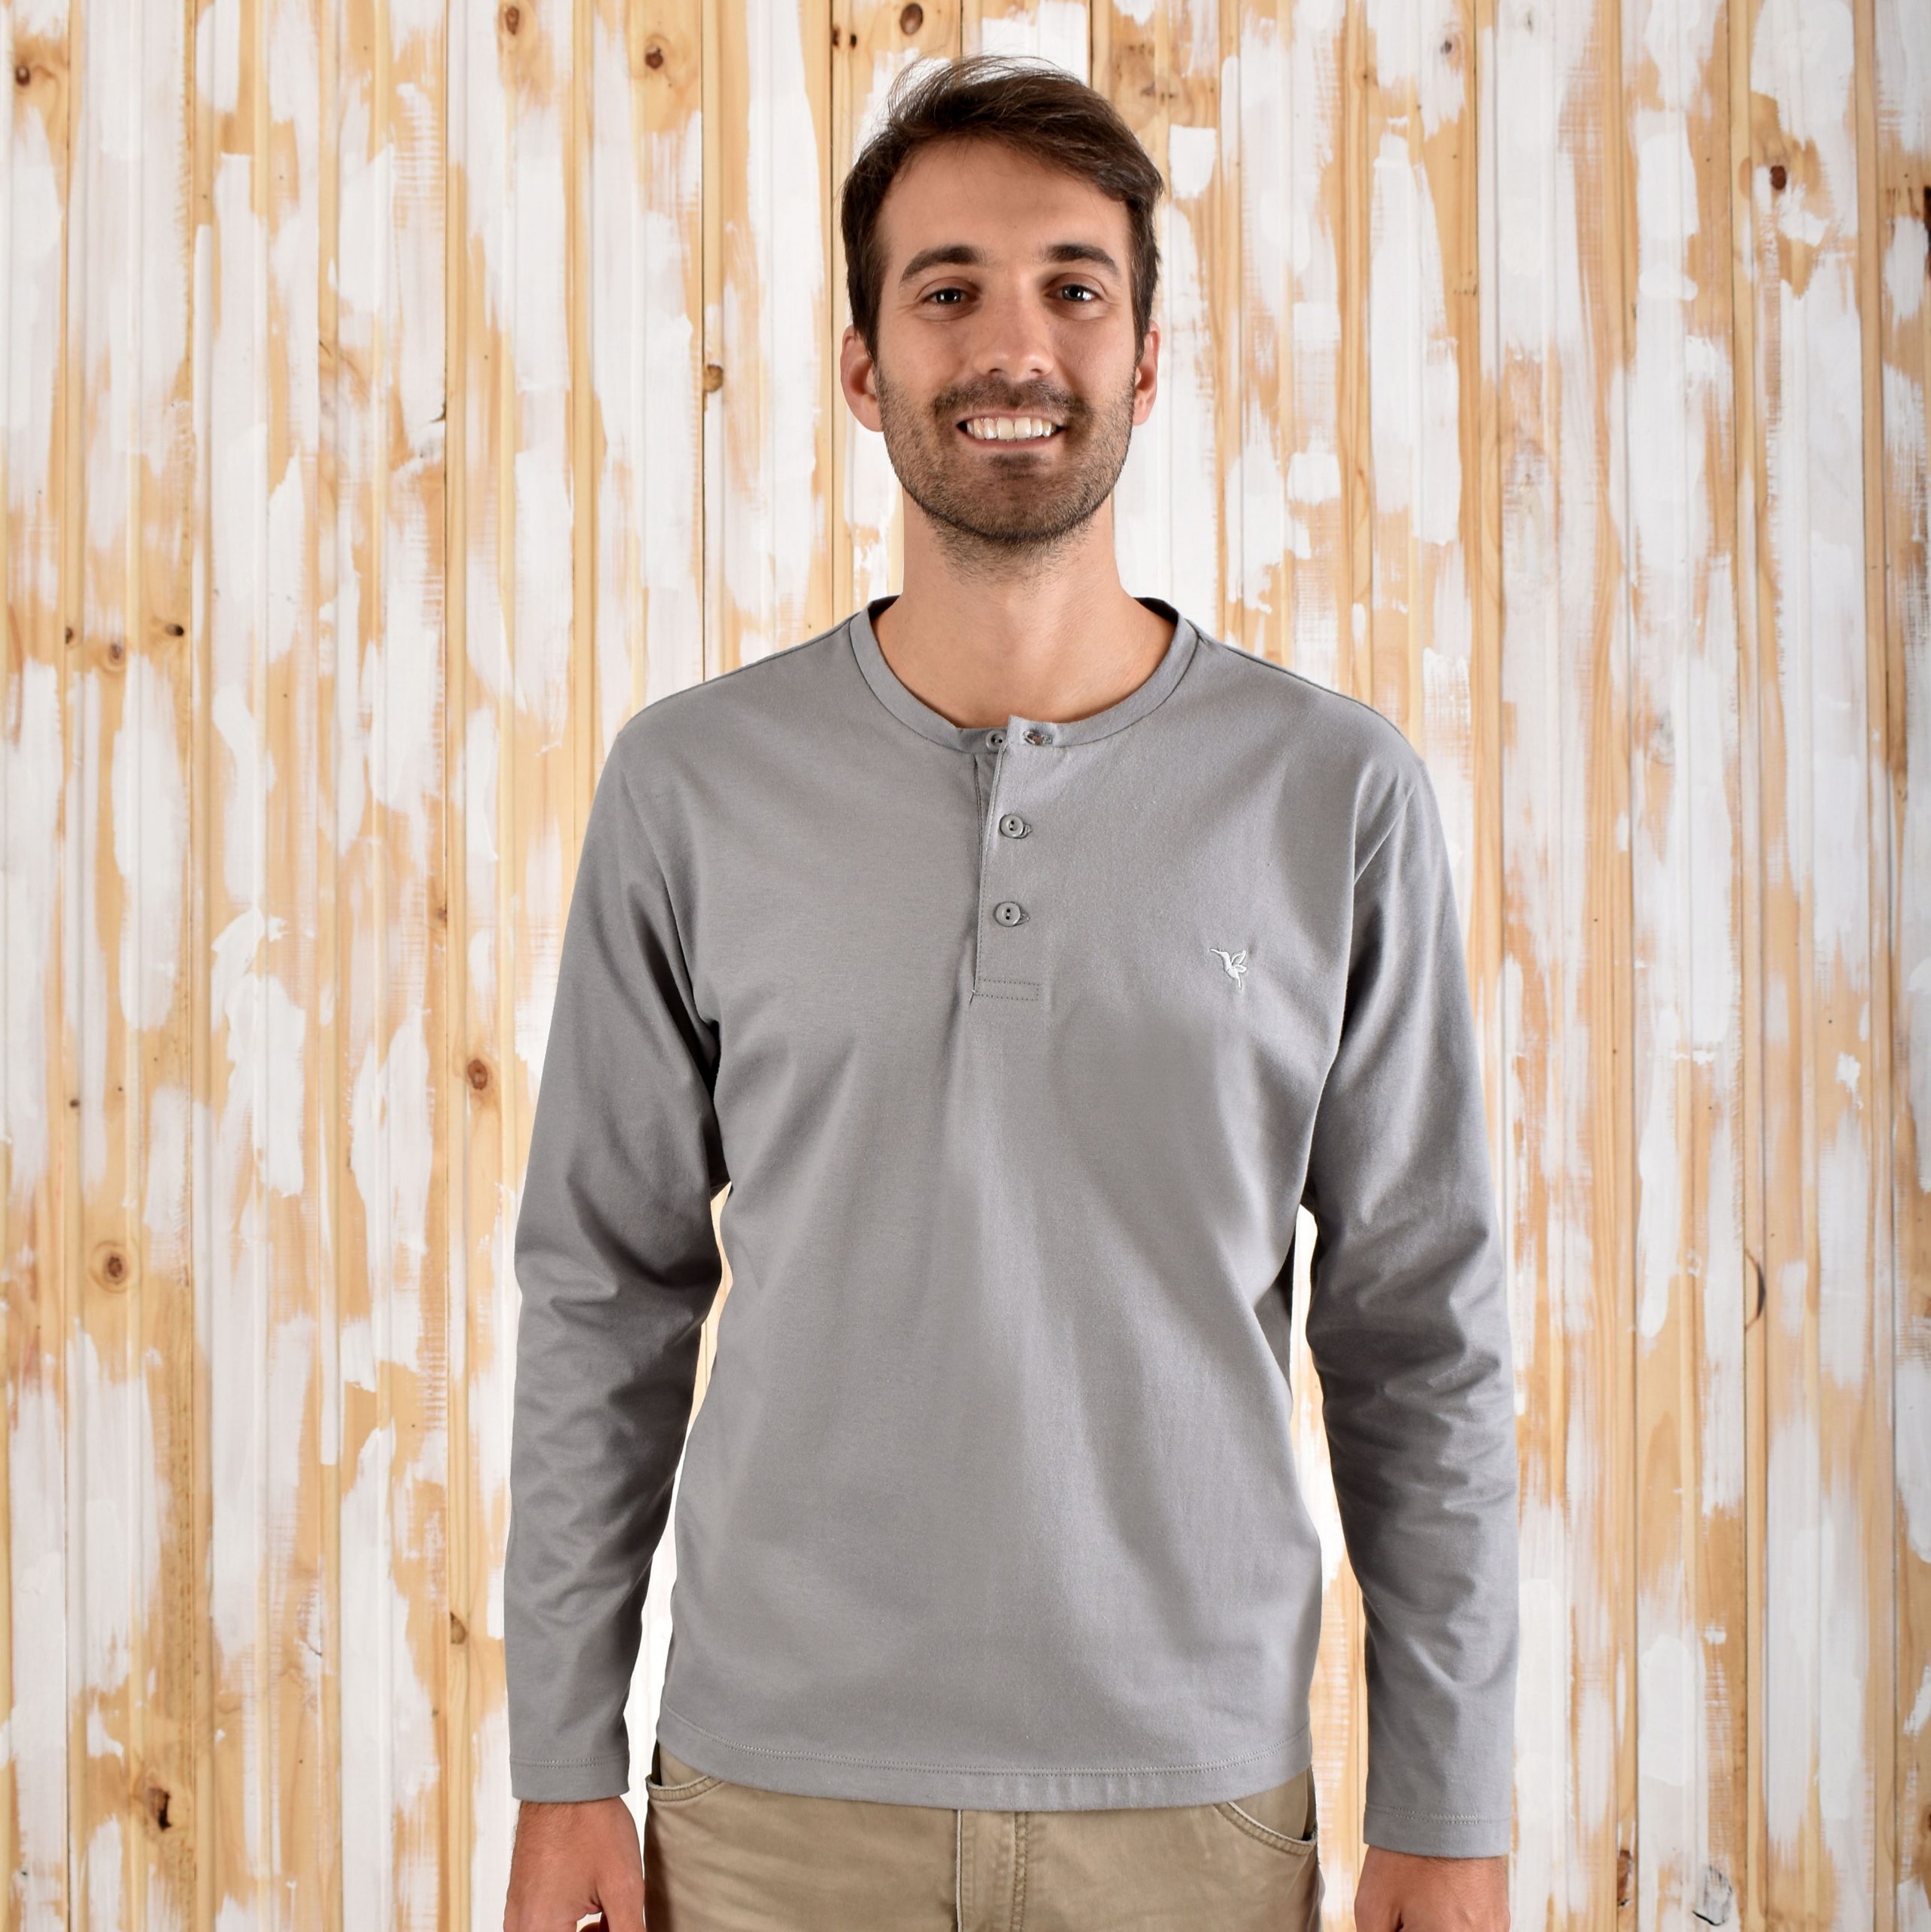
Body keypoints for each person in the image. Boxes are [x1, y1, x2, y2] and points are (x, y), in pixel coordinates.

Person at [501, 51, 1518, 1932]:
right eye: (946, 287)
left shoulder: (1330, 792)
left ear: (1146, 358)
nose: (1014, 345)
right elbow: (601, 1293)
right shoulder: (691, 785)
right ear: (861, 364)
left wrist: (1446, 1805)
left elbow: (1418, 1332)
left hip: (1191, 1812)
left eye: (1073, 286)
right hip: (772, 1813)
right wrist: (562, 1757)